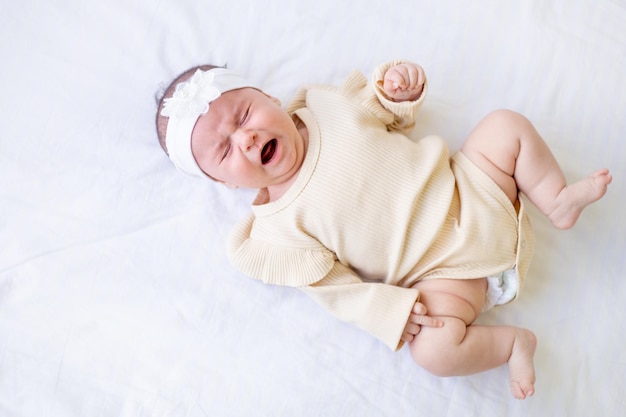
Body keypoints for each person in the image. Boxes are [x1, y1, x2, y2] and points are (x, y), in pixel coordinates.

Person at [154, 61, 611, 399]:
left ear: (270, 100)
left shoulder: (326, 107)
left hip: (470, 189)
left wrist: (396, 90)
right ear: (226, 182)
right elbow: (336, 291)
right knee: (432, 351)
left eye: (243, 115)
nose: (247, 138)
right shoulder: (278, 228)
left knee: (503, 126)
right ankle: (513, 343)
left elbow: (389, 111)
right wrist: (388, 312)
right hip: (444, 275)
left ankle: (555, 200)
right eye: (224, 150)